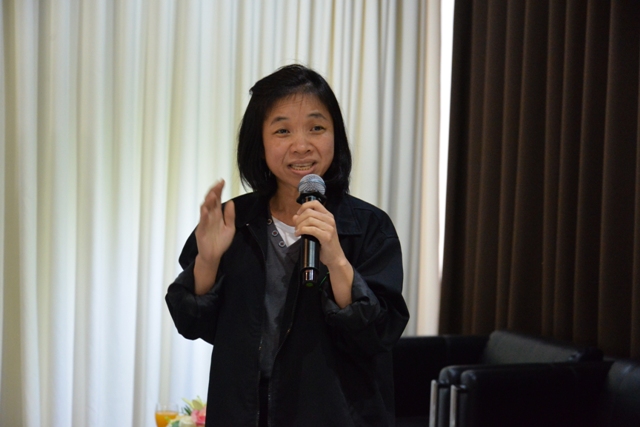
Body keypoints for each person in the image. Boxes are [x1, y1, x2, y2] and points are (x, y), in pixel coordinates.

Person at [166, 64, 409, 427]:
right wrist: (208, 261)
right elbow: (192, 323)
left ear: (335, 136)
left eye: (316, 128)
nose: (301, 145)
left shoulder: (368, 227)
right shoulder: (233, 221)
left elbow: (378, 335)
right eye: (282, 130)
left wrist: (336, 259)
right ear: (260, 143)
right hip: (244, 413)